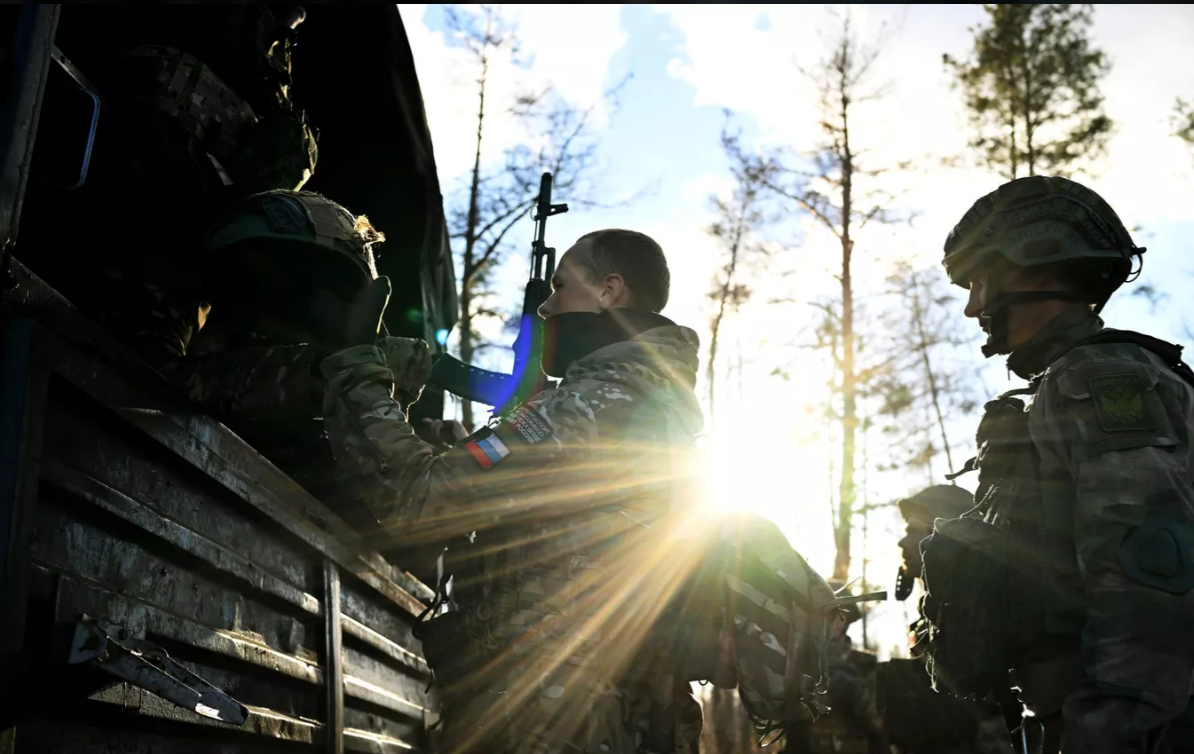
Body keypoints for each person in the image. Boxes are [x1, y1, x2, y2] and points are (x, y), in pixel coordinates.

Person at [916, 175, 1194, 754]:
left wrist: (1110, 729)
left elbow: (1150, 572)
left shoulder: (1099, 377)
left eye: (979, 281)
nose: (972, 307)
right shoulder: (1067, 381)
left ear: (1036, 267)